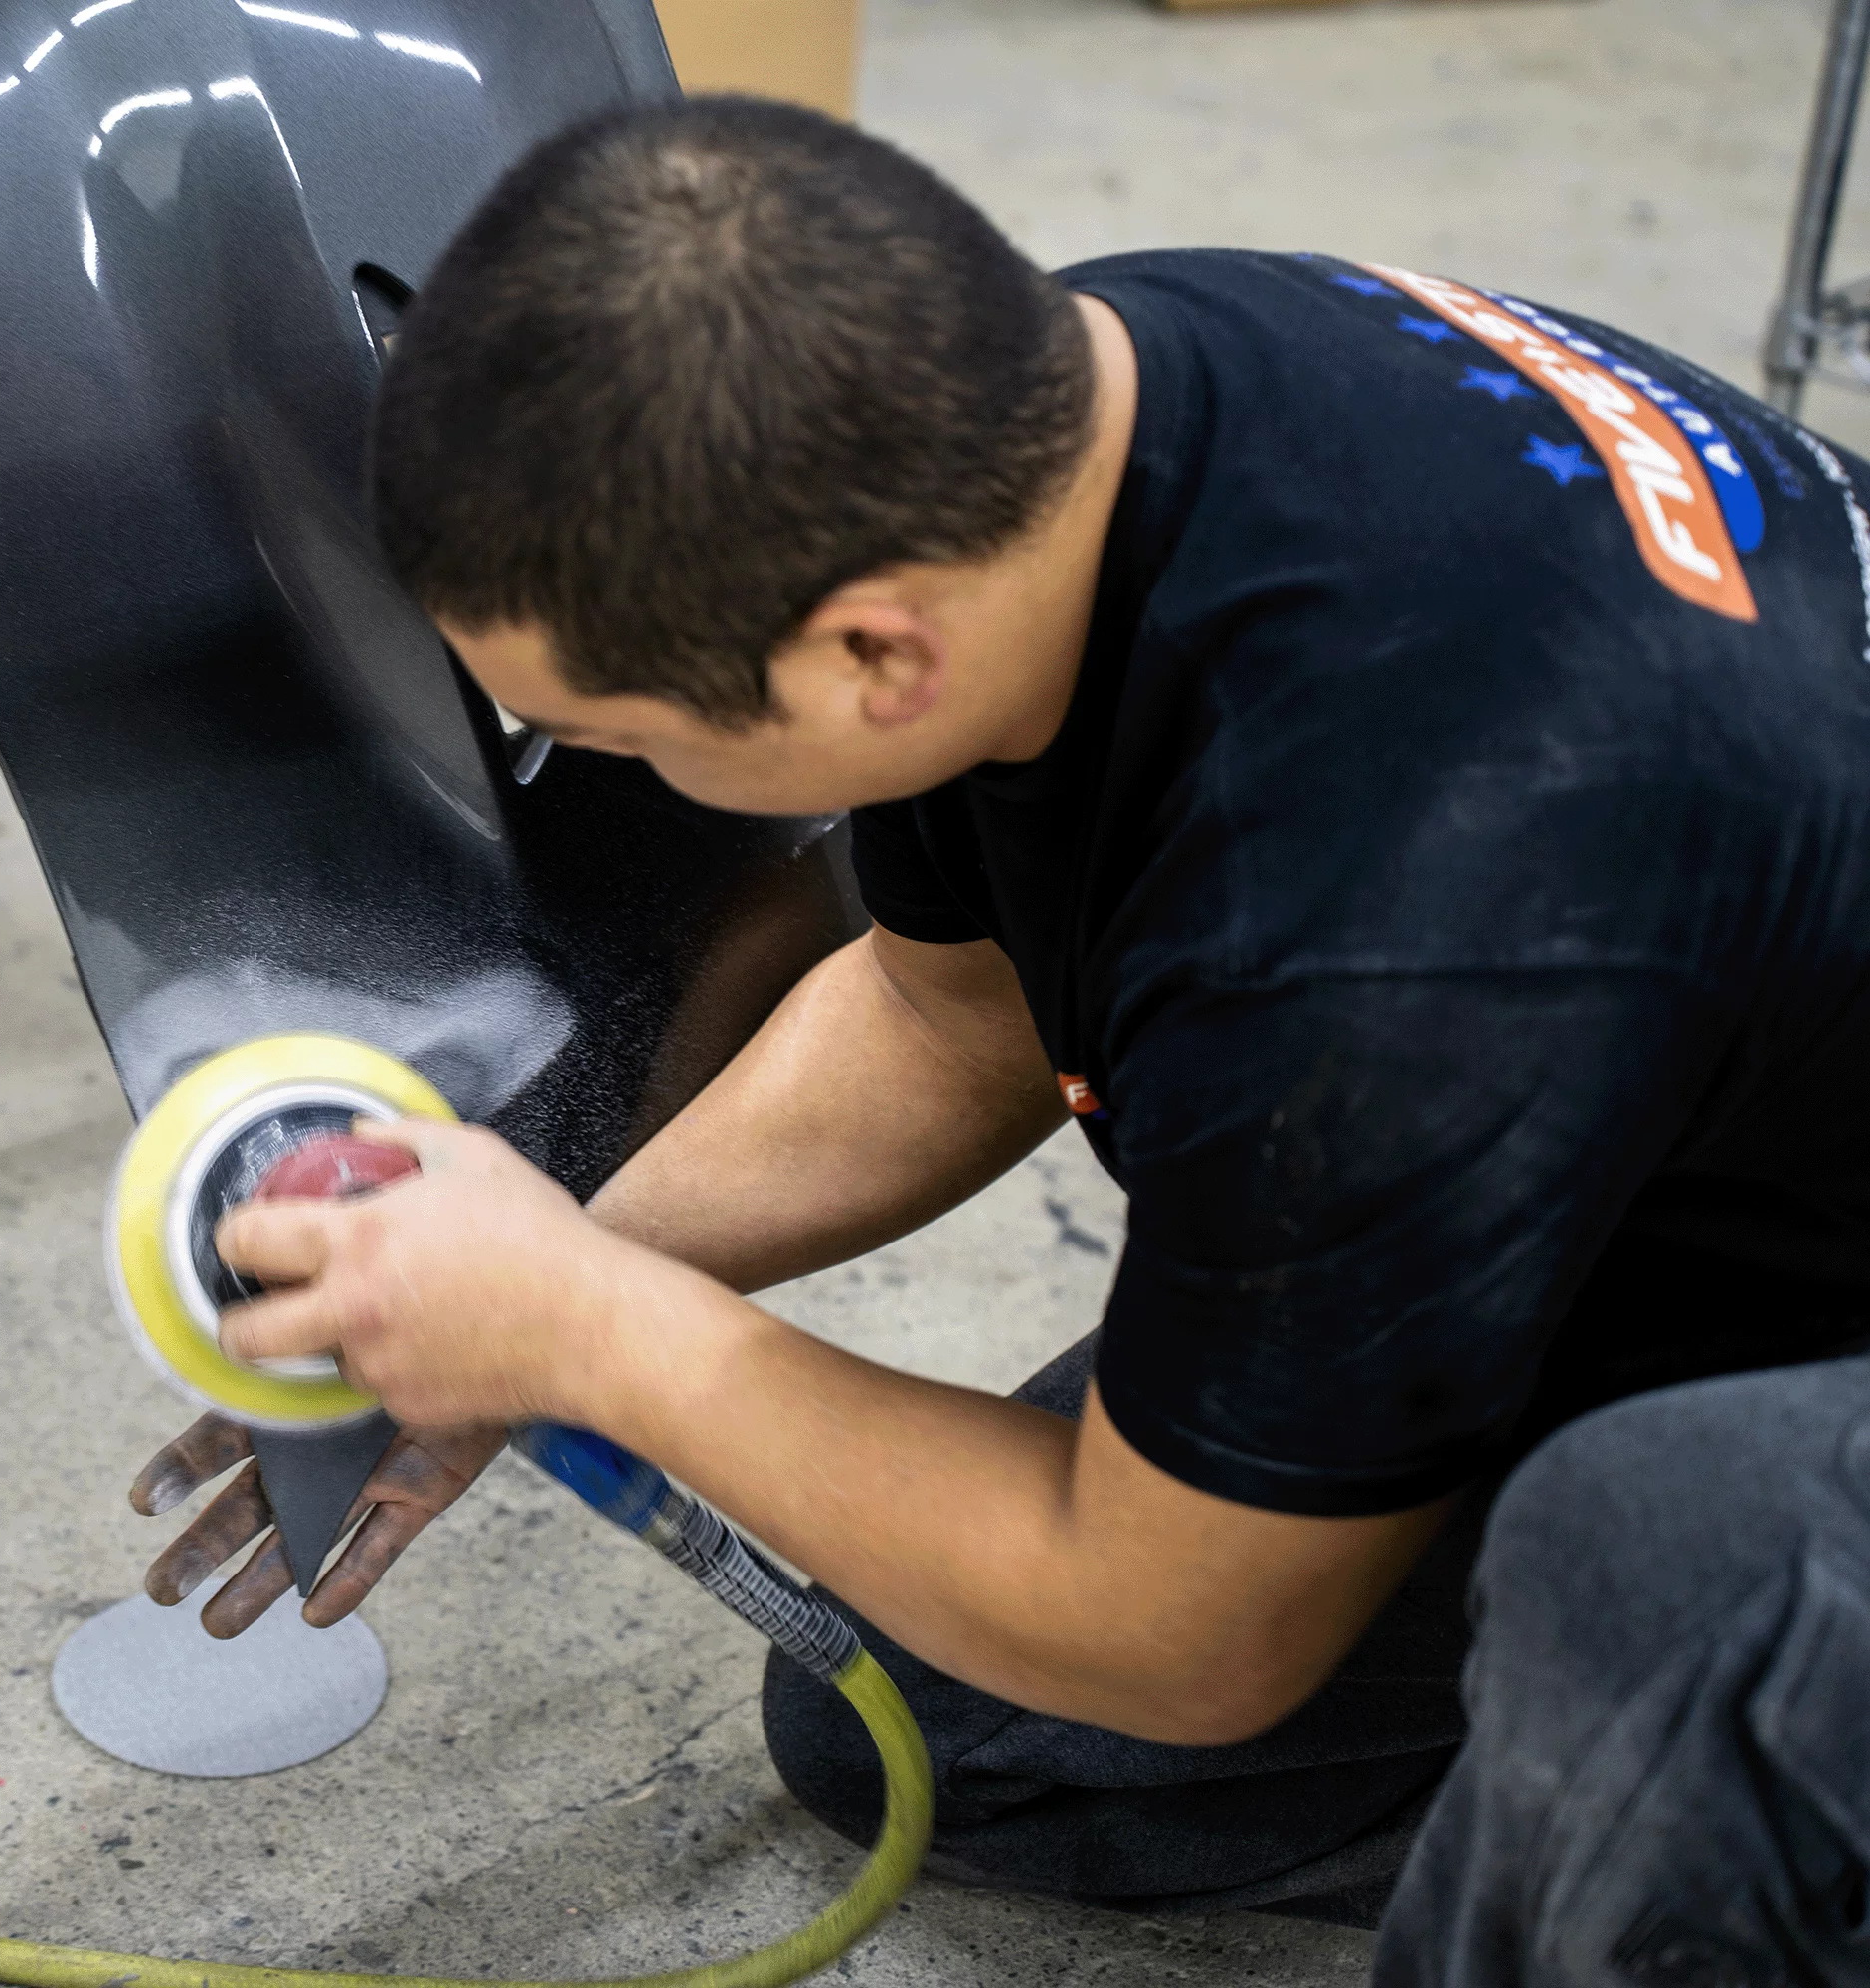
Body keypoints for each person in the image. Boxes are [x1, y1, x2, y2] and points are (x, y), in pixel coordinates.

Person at [128, 98, 1870, 1976]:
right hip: (1684, 1114)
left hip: (1777, 1338)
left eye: (619, 729)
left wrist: (597, 1334)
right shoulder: (1069, 414)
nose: (611, 768)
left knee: (1642, 1609)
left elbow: (1183, 1641)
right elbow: (935, 1014)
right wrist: (519, 1288)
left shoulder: (1378, 931)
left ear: (877, 656)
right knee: (963, 1739)